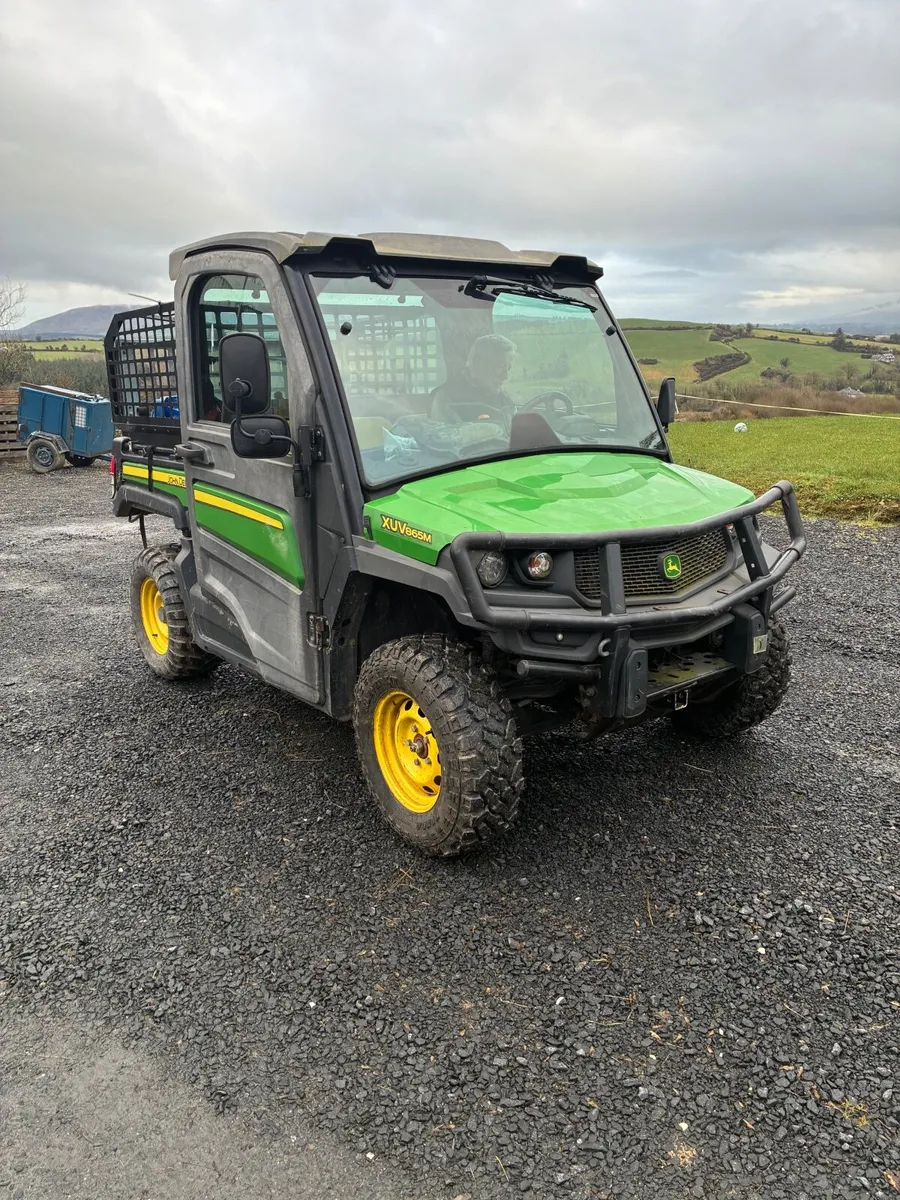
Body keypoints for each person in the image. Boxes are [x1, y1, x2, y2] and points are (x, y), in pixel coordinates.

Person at [431, 334, 517, 425]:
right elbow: (450, 437)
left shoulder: (505, 402)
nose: (505, 376)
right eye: (500, 366)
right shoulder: (448, 399)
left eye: (508, 368)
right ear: (479, 364)